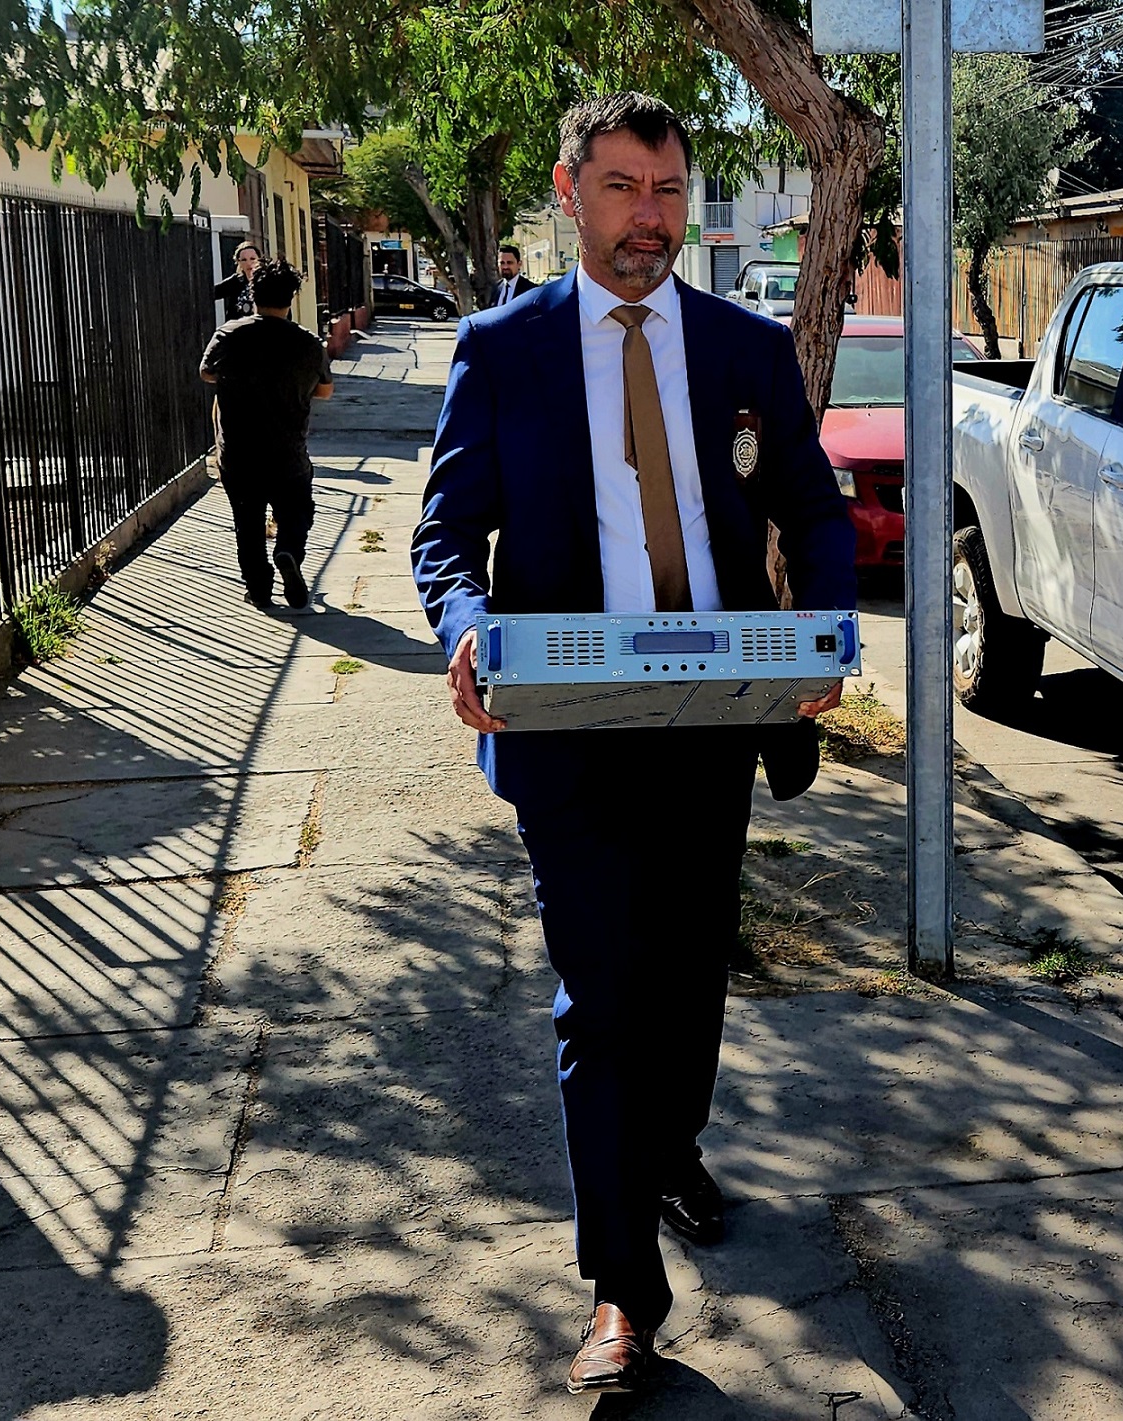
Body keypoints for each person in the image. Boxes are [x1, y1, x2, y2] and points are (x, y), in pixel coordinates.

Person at [411, 93, 854, 1395]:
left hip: (714, 724)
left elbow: (812, 510)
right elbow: (447, 535)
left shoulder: (745, 349)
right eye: (620, 189)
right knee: (600, 998)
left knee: (688, 974)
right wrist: (466, 629)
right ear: (570, 192)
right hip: (568, 728)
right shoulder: (503, 351)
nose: (647, 218)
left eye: (666, 191)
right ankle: (620, 1289)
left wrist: (824, 633)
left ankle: (667, 1147)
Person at [200, 260, 334, 610]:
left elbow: (206, 373)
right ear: (291, 297)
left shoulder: (229, 334)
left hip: (238, 452)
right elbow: (325, 391)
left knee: (247, 522)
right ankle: (288, 550)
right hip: (288, 451)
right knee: (297, 512)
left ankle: (259, 589)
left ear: (253, 293)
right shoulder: (307, 342)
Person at [212, 240, 261, 319]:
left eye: (252, 259)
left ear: (259, 260)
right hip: (238, 325)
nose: (249, 263)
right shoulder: (235, 281)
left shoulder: (266, 280)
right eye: (244, 260)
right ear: (239, 262)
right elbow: (211, 294)